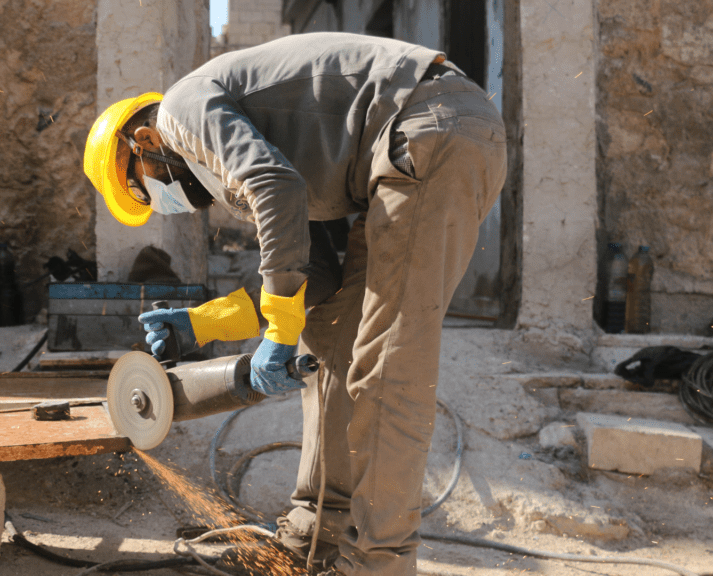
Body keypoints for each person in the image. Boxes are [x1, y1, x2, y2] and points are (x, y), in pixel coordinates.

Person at [83, 32, 507, 576]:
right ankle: (314, 535)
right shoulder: (243, 146)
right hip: (408, 144)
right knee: (330, 333)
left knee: (387, 369)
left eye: (141, 188)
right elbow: (318, 277)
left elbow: (275, 187)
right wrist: (204, 323)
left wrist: (276, 334)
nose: (156, 201)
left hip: (428, 130)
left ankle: (376, 565)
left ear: (143, 139)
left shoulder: (182, 111)